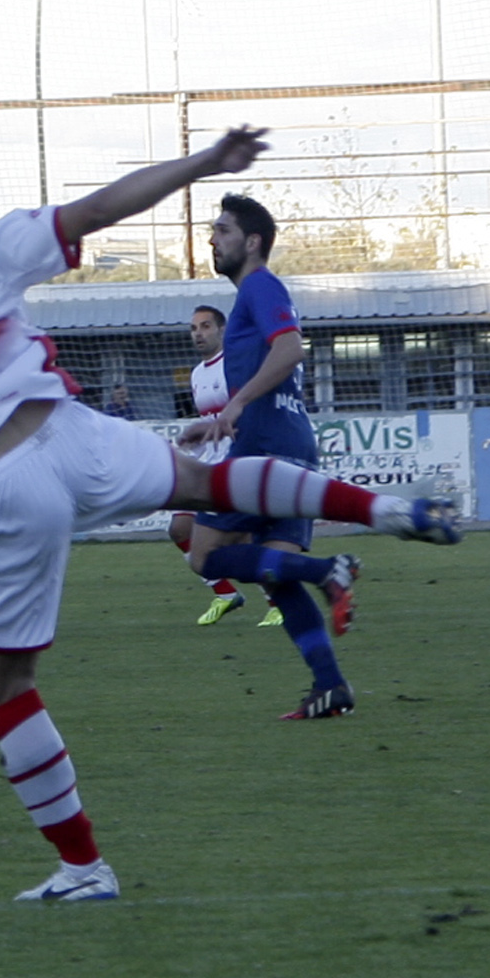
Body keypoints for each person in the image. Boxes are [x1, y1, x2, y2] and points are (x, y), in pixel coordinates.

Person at [0, 120, 458, 902]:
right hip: (72, 432)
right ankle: (383, 508)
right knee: (206, 483)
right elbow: (97, 209)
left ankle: (84, 867)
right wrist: (204, 160)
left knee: (5, 682)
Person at [175, 193, 366, 719]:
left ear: (252, 241)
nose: (211, 239)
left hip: (264, 446)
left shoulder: (260, 285)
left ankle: (328, 569)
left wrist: (235, 403)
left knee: (204, 555)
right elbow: (274, 366)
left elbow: (292, 349)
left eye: (222, 230)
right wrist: (219, 419)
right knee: (277, 578)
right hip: (286, 439)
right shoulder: (254, 295)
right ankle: (331, 686)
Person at [172, 304, 266, 629]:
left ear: (221, 331)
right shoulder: (197, 374)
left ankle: (278, 596)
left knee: (238, 540)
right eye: (194, 328)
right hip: (206, 462)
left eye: (205, 326)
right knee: (179, 529)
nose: (198, 333)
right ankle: (225, 593)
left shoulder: (235, 366)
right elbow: (209, 422)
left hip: (233, 461)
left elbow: (248, 413)